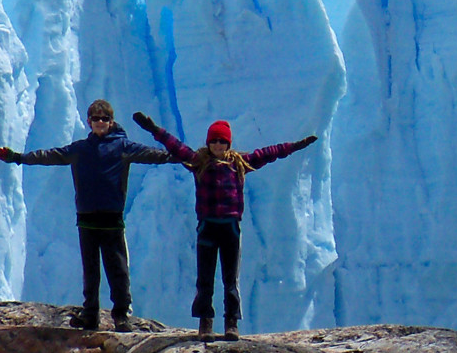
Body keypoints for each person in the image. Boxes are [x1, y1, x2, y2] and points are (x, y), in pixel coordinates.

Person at [131, 110, 317, 339]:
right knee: (205, 279)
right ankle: (205, 324)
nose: (218, 145)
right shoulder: (199, 162)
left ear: (228, 143)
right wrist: (152, 128)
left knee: (230, 280)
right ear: (208, 142)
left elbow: (269, 153)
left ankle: (231, 323)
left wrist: (294, 146)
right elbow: (174, 145)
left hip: (229, 228)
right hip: (208, 227)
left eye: (222, 141)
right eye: (214, 140)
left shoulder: (239, 163)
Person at [0, 100, 176, 331]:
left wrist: (178, 156)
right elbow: (50, 155)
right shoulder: (80, 149)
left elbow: (153, 155)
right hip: (87, 218)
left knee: (117, 268)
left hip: (111, 218)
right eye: (96, 118)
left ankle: (121, 315)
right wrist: (19, 157)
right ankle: (90, 314)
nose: (100, 122)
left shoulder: (123, 147)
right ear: (89, 121)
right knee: (91, 270)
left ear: (111, 122)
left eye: (104, 119)